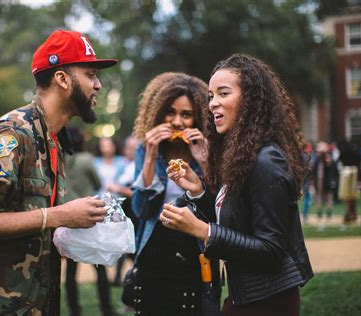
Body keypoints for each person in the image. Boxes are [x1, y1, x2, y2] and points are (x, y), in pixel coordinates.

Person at [0, 30, 118, 315]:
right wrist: (57, 216)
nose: (98, 85)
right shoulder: (12, 134)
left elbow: (29, 221)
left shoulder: (54, 139)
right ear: (62, 79)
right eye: (90, 74)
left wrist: (70, 228)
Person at [161, 54, 313, 315]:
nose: (213, 104)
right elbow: (236, 223)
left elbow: (271, 250)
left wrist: (203, 230)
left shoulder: (266, 160)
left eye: (223, 93)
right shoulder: (242, 157)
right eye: (211, 96)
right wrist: (197, 190)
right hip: (245, 297)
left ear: (251, 100)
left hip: (269, 301)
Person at [131, 72, 215, 315]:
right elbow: (141, 210)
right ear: (157, 113)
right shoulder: (145, 148)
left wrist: (205, 161)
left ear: (198, 116)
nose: (177, 122)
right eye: (170, 112)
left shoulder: (209, 149)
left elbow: (218, 209)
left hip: (196, 249)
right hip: (155, 246)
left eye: (186, 114)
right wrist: (149, 155)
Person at [63, 126, 116, 316]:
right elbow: (97, 184)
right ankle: (107, 309)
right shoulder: (86, 160)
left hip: (67, 219)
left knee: (70, 270)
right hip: (89, 218)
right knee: (99, 267)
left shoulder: (60, 161)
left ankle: (74, 310)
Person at [109, 135, 138, 287]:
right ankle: (118, 277)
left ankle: (134, 279)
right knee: (121, 245)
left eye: (134, 148)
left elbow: (137, 193)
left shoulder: (140, 167)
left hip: (135, 212)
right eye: (128, 148)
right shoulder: (123, 165)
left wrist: (118, 188)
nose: (130, 151)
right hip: (123, 211)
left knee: (133, 248)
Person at [312, 141, 338, 225]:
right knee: (319, 199)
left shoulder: (329, 159)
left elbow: (334, 171)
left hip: (327, 183)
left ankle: (328, 216)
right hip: (319, 183)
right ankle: (320, 216)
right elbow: (313, 171)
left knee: (329, 199)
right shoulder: (317, 160)